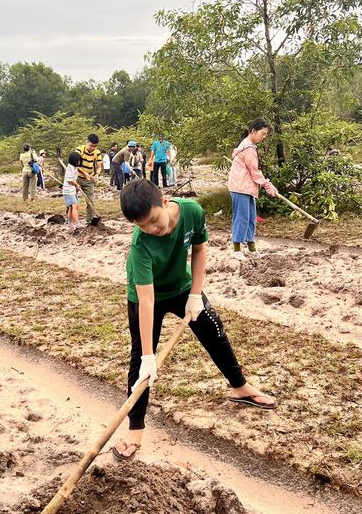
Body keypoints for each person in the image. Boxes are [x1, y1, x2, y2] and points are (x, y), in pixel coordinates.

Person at [112, 179, 276, 461]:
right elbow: (147, 300)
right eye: (142, 226)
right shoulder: (141, 246)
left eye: (153, 220)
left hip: (183, 287)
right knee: (140, 360)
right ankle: (135, 428)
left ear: (164, 202)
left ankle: (239, 387)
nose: (152, 229)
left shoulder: (192, 211)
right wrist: (150, 358)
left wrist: (195, 294)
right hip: (146, 296)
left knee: (214, 330)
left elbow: (199, 249)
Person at [228, 118, 278, 261]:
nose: (263, 137)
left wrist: (266, 184)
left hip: (248, 188)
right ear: (253, 131)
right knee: (242, 218)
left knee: (251, 218)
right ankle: (236, 250)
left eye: (265, 135)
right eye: (262, 134)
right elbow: (254, 171)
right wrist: (267, 185)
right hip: (240, 188)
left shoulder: (248, 146)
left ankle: (251, 249)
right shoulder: (248, 147)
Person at [75, 134, 103, 225]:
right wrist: (84, 173)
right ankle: (69, 219)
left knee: (90, 201)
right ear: (86, 142)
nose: (93, 148)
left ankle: (89, 221)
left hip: (89, 180)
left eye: (95, 146)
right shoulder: (79, 150)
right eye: (91, 146)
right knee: (72, 201)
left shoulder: (97, 152)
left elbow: (99, 167)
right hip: (76, 179)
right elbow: (75, 165)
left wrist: (97, 174)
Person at [63, 151, 83, 229]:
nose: (79, 162)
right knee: (75, 205)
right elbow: (69, 180)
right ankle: (77, 223)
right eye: (77, 161)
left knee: (72, 207)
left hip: (72, 189)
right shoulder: (70, 168)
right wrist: (76, 185)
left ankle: (70, 223)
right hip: (68, 190)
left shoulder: (74, 167)